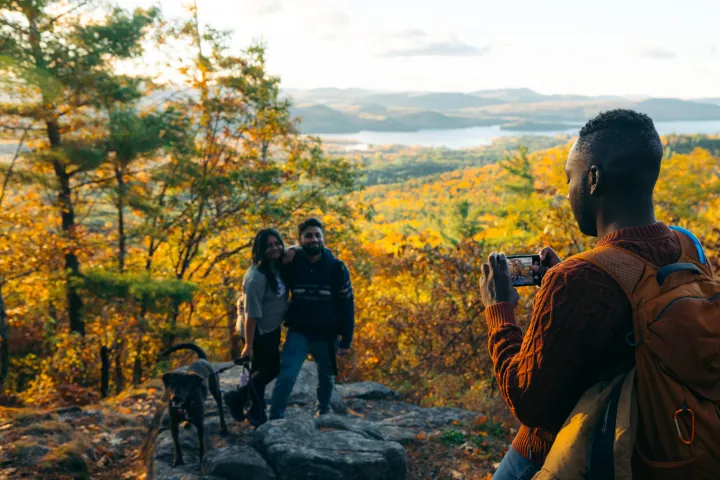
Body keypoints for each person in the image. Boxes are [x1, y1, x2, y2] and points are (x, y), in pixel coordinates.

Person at [478, 110, 688, 479]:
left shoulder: (577, 281)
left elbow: (528, 402)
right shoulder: (687, 248)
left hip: (575, 453)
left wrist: (499, 311)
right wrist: (565, 282)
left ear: (593, 179)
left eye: (569, 178)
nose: (568, 190)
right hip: (664, 441)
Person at [269, 218, 354, 419]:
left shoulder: (336, 268)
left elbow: (347, 304)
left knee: (326, 377)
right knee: (287, 376)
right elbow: (268, 264)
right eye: (308, 236)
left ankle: (323, 413)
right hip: (299, 331)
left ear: (323, 238)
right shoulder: (292, 264)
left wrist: (346, 339)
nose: (313, 239)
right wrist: (290, 250)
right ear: (300, 240)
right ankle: (275, 418)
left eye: (317, 235)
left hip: (327, 334)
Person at [224, 228, 288, 426]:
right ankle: (239, 399)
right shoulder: (255, 278)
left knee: (260, 371)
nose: (275, 248)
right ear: (260, 250)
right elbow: (251, 315)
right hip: (257, 331)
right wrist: (249, 345)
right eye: (269, 246)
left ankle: (255, 412)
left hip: (271, 327)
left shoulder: (275, 265)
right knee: (272, 369)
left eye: (277, 243)